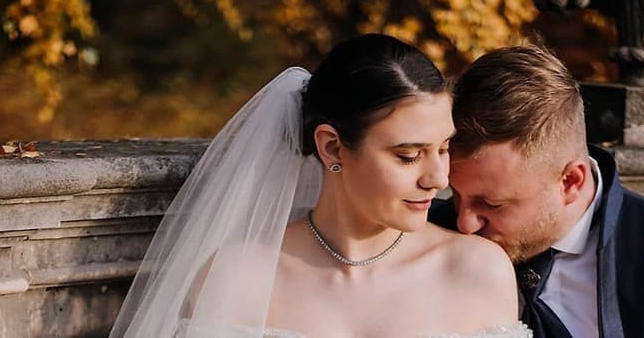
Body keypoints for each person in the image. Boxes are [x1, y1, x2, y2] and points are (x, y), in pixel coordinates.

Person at [110, 34, 530, 338]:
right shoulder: (238, 277)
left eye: (443, 148)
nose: (437, 178)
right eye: (408, 155)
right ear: (332, 147)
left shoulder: (476, 271)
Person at [430, 43, 644, 338]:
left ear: (571, 182)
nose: (464, 223)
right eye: (456, 194)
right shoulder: (423, 234)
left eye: (492, 204)